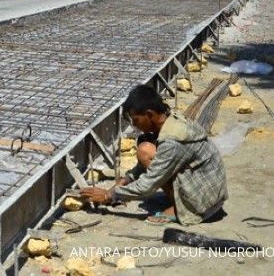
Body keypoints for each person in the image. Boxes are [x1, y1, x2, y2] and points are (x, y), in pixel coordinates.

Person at [80, 85, 228, 226]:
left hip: (205, 202)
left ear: (149, 114)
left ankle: (183, 209)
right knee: (146, 150)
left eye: (136, 120)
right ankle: (179, 200)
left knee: (145, 150)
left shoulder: (171, 141)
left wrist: (108, 196)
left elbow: (147, 185)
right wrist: (118, 185)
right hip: (210, 192)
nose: (135, 125)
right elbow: (142, 168)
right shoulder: (169, 119)